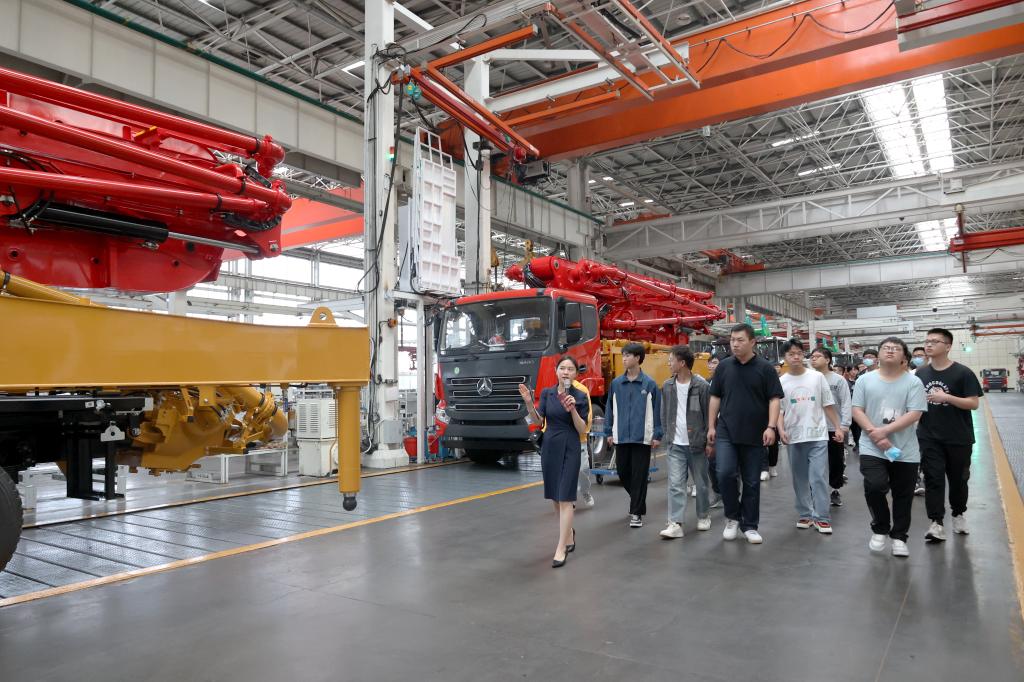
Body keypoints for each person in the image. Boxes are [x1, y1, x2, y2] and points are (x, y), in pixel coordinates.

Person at [708, 324, 784, 545]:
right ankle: (732, 517)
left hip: (755, 433)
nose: (735, 344)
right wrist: (711, 426)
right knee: (724, 473)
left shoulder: (765, 368)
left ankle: (749, 525)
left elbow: (774, 399)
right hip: (726, 431)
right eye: (732, 340)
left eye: (740, 340)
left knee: (751, 481)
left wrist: (771, 427)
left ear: (752, 342)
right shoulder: (724, 367)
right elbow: (715, 397)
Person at [852, 337, 928, 558]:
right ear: (878, 354)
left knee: (903, 495)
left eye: (896, 348)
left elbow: (915, 413)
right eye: (886, 347)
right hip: (872, 446)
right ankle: (880, 528)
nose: (890, 351)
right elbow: (857, 410)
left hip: (905, 448)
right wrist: (875, 435)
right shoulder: (865, 380)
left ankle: (899, 537)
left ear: (904, 356)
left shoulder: (913, 382)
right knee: (874, 486)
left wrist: (884, 431)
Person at [519, 356, 590, 568]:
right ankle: (569, 534)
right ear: (556, 371)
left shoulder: (580, 395)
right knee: (556, 498)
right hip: (550, 446)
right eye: (562, 368)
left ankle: (561, 547)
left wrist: (573, 409)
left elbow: (582, 429)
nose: (566, 372)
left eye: (570, 369)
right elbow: (538, 421)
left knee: (566, 496)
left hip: (570, 446)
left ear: (575, 374)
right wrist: (529, 403)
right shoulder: (548, 393)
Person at [915, 328, 983, 542]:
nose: (928, 345)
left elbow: (973, 403)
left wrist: (947, 398)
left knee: (959, 480)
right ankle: (936, 522)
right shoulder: (921, 373)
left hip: (958, 436)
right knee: (933, 478)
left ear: (948, 346)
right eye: (927, 341)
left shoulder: (963, 373)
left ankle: (958, 514)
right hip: (929, 436)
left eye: (935, 341)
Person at [778, 340, 844, 534]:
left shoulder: (816, 377)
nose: (796, 357)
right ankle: (805, 514)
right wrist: (781, 430)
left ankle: (822, 517)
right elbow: (779, 410)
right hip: (794, 436)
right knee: (799, 478)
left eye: (799, 353)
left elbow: (827, 404)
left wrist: (838, 427)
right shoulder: (781, 381)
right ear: (785, 357)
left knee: (818, 477)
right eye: (791, 354)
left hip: (817, 435)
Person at [605, 342, 663, 528]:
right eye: (623, 355)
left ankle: (636, 513)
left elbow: (657, 411)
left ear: (638, 358)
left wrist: (657, 434)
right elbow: (609, 409)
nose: (624, 359)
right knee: (623, 472)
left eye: (627, 355)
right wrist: (608, 431)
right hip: (621, 436)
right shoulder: (616, 384)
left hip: (642, 437)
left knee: (639, 475)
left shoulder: (649, 384)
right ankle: (638, 501)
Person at [659, 345, 712, 539]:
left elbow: (709, 414)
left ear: (682, 363)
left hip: (697, 443)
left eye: (671, 360)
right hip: (675, 443)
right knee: (675, 484)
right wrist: (667, 435)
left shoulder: (702, 386)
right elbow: (664, 413)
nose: (669, 363)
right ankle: (676, 523)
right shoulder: (667, 386)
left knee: (701, 483)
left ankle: (703, 515)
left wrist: (709, 441)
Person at [810, 346, 852, 507]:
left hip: (834, 427)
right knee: (814, 463)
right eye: (812, 356)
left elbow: (846, 402)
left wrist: (844, 425)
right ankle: (815, 492)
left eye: (817, 356)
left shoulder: (838, 380)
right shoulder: (809, 378)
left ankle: (835, 489)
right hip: (814, 428)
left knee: (836, 461)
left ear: (827, 360)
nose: (813, 359)